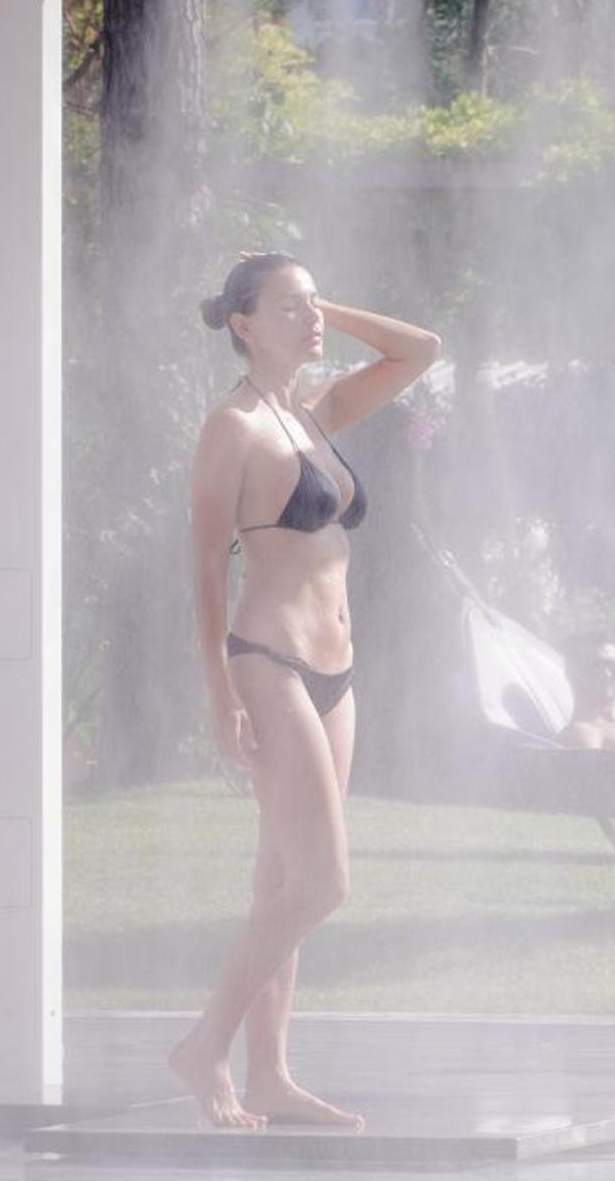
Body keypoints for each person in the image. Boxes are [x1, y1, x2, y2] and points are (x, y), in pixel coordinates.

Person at [167, 251, 440, 1130]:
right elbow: (206, 567)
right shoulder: (233, 428)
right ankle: (205, 1046)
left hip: (336, 677)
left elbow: (421, 350)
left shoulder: (313, 414)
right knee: (322, 884)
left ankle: (270, 1076)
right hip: (270, 663)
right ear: (242, 324)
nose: (312, 318)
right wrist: (219, 692)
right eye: (290, 307)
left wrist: (325, 307)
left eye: (314, 304)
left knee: (282, 880)